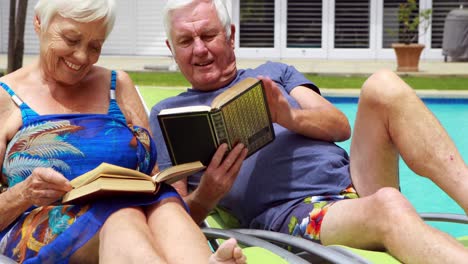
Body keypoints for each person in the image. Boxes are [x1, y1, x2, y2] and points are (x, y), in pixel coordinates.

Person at [150, 0, 468, 263]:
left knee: (383, 84)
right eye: (186, 41)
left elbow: (339, 126)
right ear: (171, 48)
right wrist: (208, 194)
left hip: (355, 184)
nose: (200, 49)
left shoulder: (274, 73)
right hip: (292, 214)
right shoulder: (170, 115)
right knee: (388, 204)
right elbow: (174, 219)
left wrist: (288, 116)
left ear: (230, 35)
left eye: (208, 35)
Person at [0, 0, 247, 263]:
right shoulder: (5, 97)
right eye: (71, 40)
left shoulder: (118, 85)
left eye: (95, 46)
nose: (82, 56)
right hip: (42, 225)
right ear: (39, 22)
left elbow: (153, 177)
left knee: (164, 203)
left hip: (136, 212)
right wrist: (24, 192)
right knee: (123, 214)